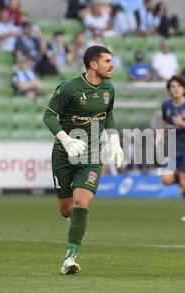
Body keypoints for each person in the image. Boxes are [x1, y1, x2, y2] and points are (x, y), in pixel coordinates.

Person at [43, 45, 124, 274]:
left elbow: (108, 115)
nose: (113, 65)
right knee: (66, 209)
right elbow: (48, 115)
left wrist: (115, 141)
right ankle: (72, 220)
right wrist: (66, 140)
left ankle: (70, 258)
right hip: (64, 154)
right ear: (93, 64)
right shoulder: (69, 88)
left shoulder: (109, 88)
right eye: (108, 61)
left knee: (81, 202)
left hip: (91, 155)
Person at [158, 75, 185, 222]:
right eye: (172, 87)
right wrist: (159, 136)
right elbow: (164, 121)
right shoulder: (167, 106)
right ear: (169, 90)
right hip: (172, 147)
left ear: (184, 89)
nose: (175, 89)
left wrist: (183, 123)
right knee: (165, 180)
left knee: (184, 180)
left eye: (178, 86)